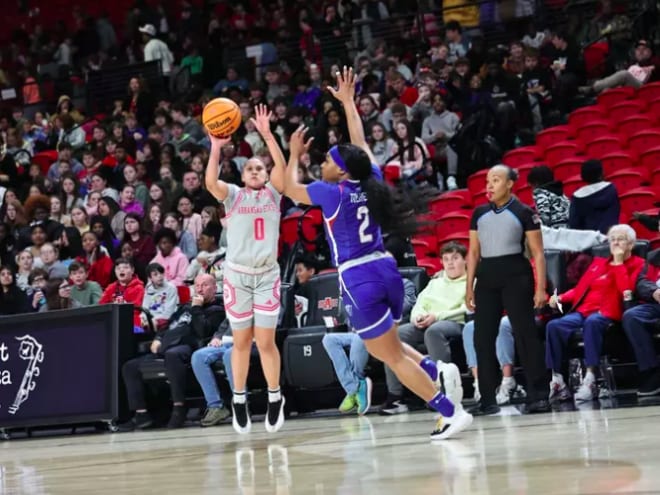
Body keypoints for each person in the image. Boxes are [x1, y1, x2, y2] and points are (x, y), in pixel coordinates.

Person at [284, 67, 472, 441]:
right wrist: (349, 103)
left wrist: (291, 154)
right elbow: (360, 144)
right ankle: (436, 371)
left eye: (327, 160)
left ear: (338, 170)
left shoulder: (331, 192)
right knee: (385, 343)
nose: (322, 163)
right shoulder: (369, 179)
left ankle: (449, 412)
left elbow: (289, 188)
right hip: (387, 270)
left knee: (391, 356)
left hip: (359, 278)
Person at [204, 104, 287, 435]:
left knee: (265, 342)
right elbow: (210, 181)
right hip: (237, 276)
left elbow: (282, 166)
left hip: (267, 275)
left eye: (259, 168)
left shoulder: (275, 194)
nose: (255, 171)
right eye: (249, 168)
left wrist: (267, 134)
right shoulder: (233, 195)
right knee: (241, 341)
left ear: (266, 175)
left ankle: (274, 396)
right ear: (241, 176)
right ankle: (238, 399)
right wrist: (214, 146)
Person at [466, 164, 549, 415]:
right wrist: (469, 287)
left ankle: (539, 394)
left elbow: (538, 253)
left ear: (510, 184)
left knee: (525, 334)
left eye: (496, 180)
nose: (489, 185)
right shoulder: (478, 213)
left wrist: (540, 288)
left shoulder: (524, 212)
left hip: (516, 273)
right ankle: (488, 399)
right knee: (482, 337)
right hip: (487, 277)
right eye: (488, 180)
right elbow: (472, 252)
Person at [547, 224, 645, 402]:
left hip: (609, 313)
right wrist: (560, 297)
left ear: (631, 244)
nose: (615, 242)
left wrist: (619, 263)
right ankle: (558, 380)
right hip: (583, 311)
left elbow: (627, 291)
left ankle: (591, 378)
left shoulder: (638, 265)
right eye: (612, 239)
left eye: (620, 239)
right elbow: (580, 290)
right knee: (554, 325)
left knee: (592, 322)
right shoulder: (598, 264)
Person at [122, 274, 224, 429]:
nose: (200, 289)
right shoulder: (185, 307)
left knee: (172, 355)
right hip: (167, 345)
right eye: (197, 285)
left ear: (214, 288)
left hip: (190, 346)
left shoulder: (216, 309)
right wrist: (158, 338)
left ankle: (179, 408)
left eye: (205, 285)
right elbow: (169, 324)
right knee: (130, 367)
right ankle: (141, 414)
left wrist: (197, 308)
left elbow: (203, 332)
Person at [380, 241, 468, 415]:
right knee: (394, 335)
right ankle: (395, 397)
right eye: (446, 259)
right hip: (427, 321)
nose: (450, 263)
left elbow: (467, 308)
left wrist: (437, 317)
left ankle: (442, 390)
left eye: (455, 258)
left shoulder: (470, 281)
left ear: (465, 261)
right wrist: (417, 317)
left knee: (434, 331)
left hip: (455, 322)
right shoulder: (435, 282)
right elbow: (420, 303)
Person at [622, 245, 660, 396]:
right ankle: (651, 370)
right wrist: (654, 291)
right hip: (656, 303)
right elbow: (641, 281)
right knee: (632, 316)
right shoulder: (653, 257)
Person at [568, 159, 620, 234]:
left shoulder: (577, 197)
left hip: (588, 240)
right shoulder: (611, 189)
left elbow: (574, 224)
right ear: (601, 173)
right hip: (610, 236)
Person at [99, 257, 146, 328]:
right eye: (118, 268)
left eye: (125, 267)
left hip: (132, 320)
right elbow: (101, 306)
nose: (121, 270)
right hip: (113, 319)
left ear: (132, 270)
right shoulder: (110, 287)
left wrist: (123, 306)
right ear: (115, 271)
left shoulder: (138, 287)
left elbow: (137, 310)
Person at [142, 263, 179, 331]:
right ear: (150, 278)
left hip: (167, 318)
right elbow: (145, 307)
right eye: (155, 274)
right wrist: (143, 318)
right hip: (151, 318)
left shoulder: (171, 288)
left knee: (149, 326)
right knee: (134, 326)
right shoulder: (148, 288)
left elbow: (169, 312)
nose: (160, 276)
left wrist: (153, 320)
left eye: (161, 273)